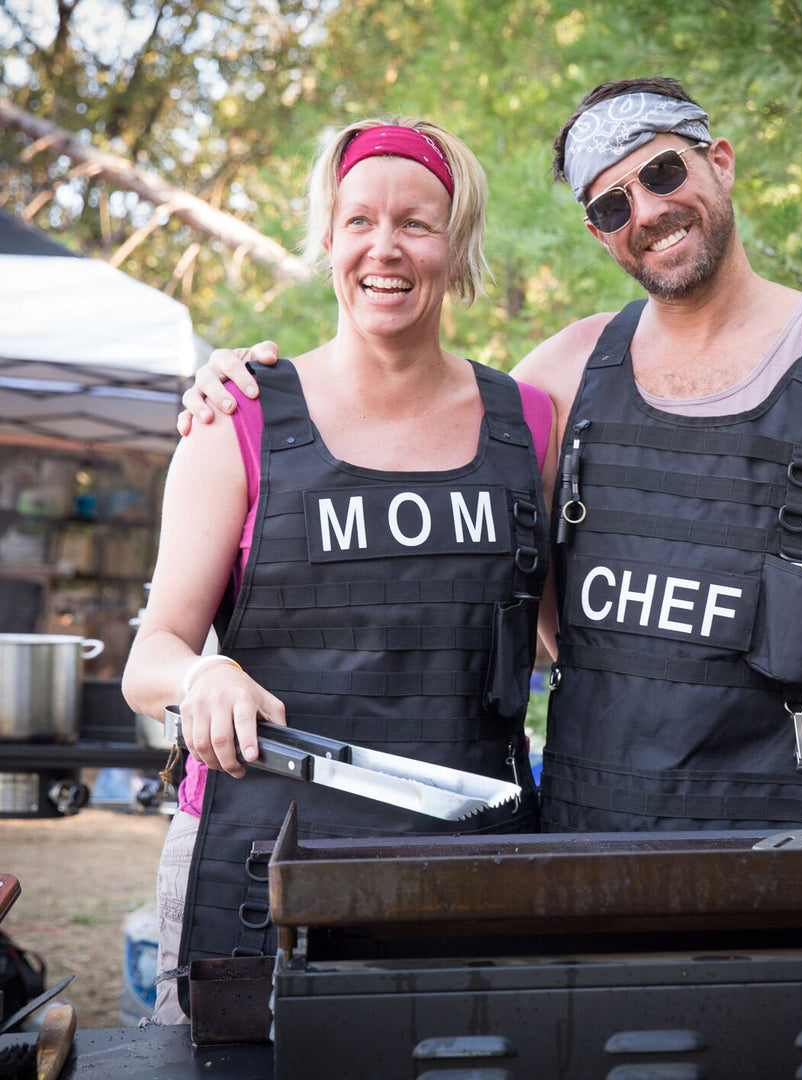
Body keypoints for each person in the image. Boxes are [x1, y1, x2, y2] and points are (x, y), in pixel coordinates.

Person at [179, 78, 802, 836]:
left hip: (797, 830)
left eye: (664, 171)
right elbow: (415, 435)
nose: (647, 210)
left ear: (721, 162)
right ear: (598, 232)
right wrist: (239, 386)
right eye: (610, 205)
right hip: (585, 834)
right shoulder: (559, 380)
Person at [123, 116, 555, 1023]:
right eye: (359, 221)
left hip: (467, 865)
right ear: (327, 240)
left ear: (458, 243)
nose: (384, 248)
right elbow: (150, 655)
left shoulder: (531, 428)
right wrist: (205, 672)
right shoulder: (236, 416)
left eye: (416, 223)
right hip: (257, 866)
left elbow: (558, 634)